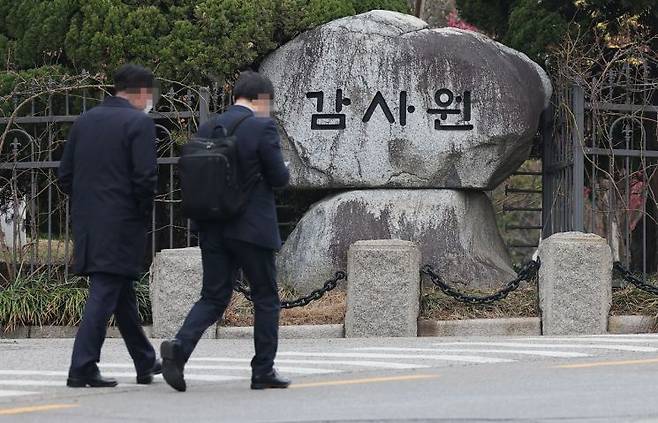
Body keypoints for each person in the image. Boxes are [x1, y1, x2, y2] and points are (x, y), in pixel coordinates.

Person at [161, 71, 291, 392]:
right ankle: (262, 371)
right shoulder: (262, 127)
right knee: (265, 297)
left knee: (213, 295)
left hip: (213, 227)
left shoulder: (209, 127)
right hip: (251, 229)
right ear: (261, 100)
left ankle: (179, 348)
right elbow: (279, 179)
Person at [59, 64, 161, 388]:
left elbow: (65, 175)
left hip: (89, 223)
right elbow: (145, 179)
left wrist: (90, 204)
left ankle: (145, 362)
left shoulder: (86, 120)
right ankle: (82, 366)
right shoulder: (139, 123)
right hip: (121, 223)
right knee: (104, 293)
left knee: (120, 294)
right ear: (143, 93)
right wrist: (141, 212)